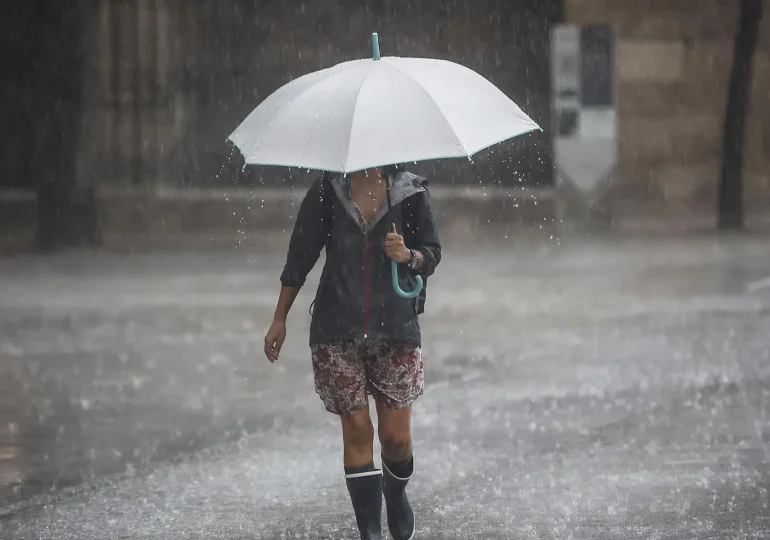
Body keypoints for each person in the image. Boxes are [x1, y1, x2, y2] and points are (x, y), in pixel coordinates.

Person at [264, 164, 441, 540]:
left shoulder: (409, 193)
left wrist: (409, 255)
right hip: (336, 328)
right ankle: (370, 533)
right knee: (358, 430)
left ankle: (394, 493)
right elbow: (300, 257)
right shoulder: (327, 192)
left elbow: (432, 252)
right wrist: (280, 318)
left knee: (396, 438)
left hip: (395, 328)